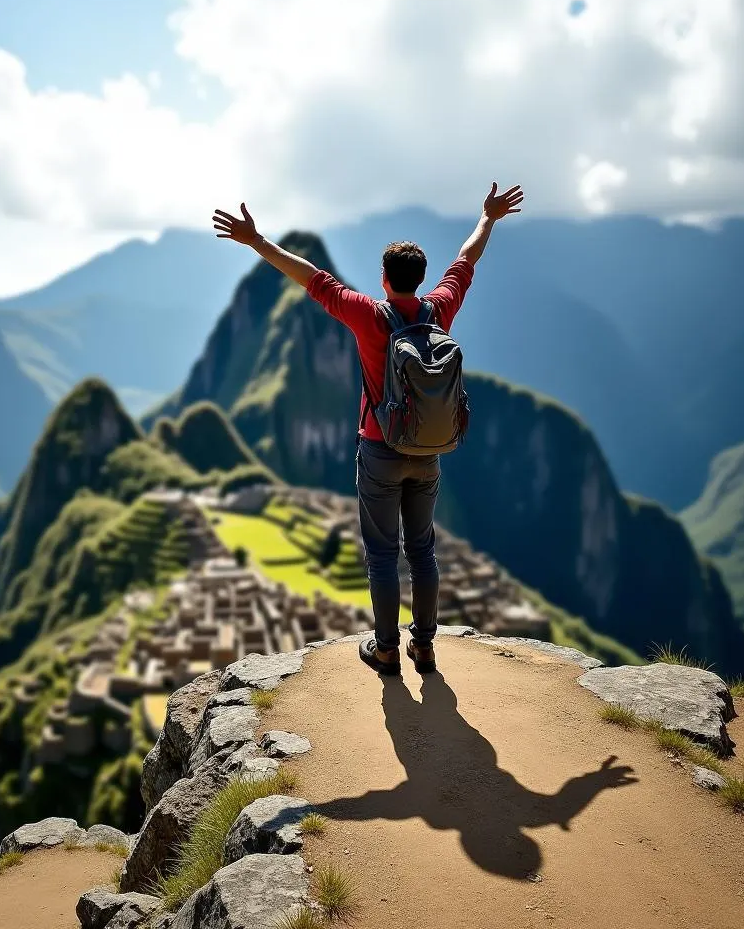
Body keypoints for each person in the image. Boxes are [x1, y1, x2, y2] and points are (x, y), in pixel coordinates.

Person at [211, 182, 524, 677]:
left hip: (378, 449)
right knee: (422, 550)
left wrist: (256, 242)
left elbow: (313, 280)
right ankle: (424, 646)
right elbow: (466, 262)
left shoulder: (368, 316)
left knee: (383, 554)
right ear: (421, 279)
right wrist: (488, 218)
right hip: (427, 450)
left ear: (384, 279)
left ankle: (385, 649)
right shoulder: (439, 310)